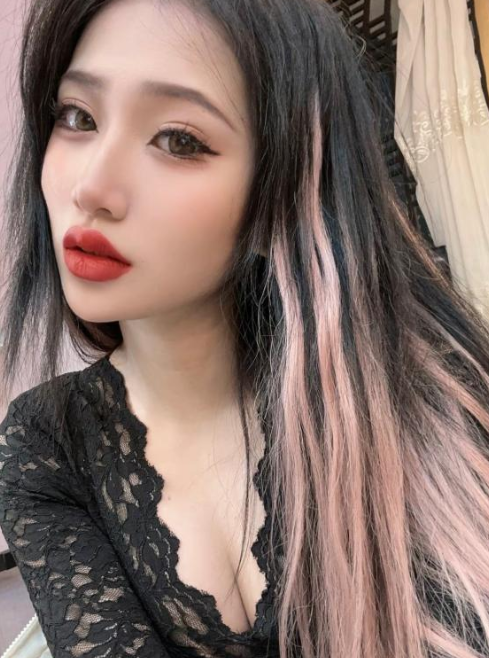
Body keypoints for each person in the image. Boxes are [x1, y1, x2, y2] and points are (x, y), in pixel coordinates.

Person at [1, 0, 489, 656]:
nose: (91, 188)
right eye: (78, 116)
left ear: (282, 198)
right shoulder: (45, 442)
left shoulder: (427, 394)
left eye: (179, 139)